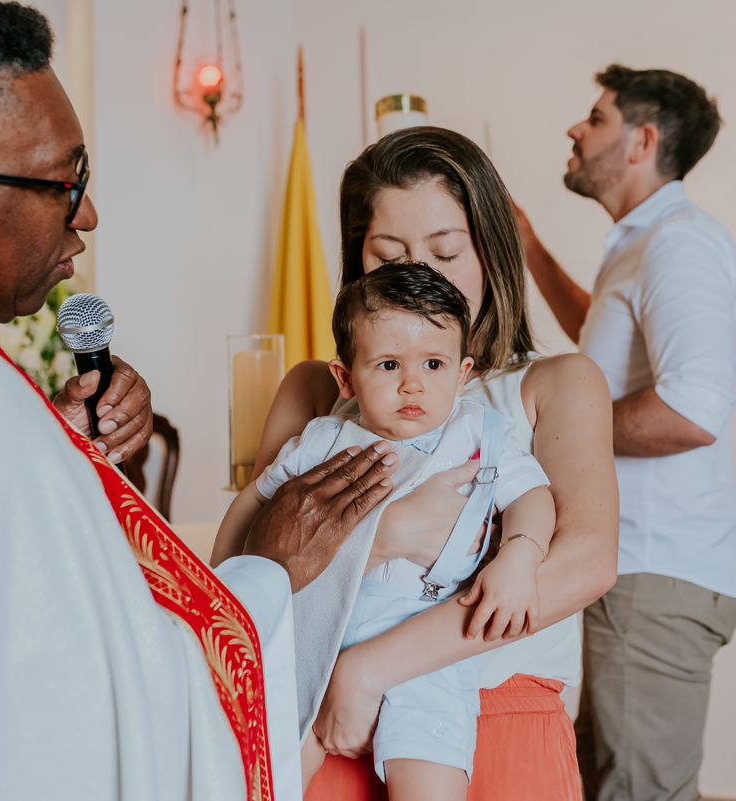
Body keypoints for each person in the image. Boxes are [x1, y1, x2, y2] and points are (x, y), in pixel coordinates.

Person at [0, 2, 398, 800]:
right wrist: (266, 572)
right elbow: (84, 727)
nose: (88, 213)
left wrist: (55, 454)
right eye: (63, 181)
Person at [257, 126, 619, 801]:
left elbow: (585, 561)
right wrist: (385, 533)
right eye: (388, 253)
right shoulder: (318, 390)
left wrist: (369, 669)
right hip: (327, 718)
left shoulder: (553, 384)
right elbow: (242, 563)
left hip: (497, 712)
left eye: (446, 252)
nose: (418, 274)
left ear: (491, 253)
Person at [214, 263, 556, 799]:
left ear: (463, 373)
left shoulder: (480, 434)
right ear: (346, 377)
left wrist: (520, 554)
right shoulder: (322, 441)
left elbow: (533, 496)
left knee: (429, 778)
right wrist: (230, 571)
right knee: (271, 767)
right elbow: (257, 500)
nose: (413, 383)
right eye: (390, 363)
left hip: (428, 645)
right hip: (322, 632)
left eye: (435, 363)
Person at [515, 65, 736, 801]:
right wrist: (527, 249)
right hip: (636, 569)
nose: (575, 131)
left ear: (643, 140)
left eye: (596, 116)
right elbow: (601, 342)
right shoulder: (641, 246)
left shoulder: (680, 245)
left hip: (659, 572)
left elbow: (691, 411)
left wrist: (557, 433)